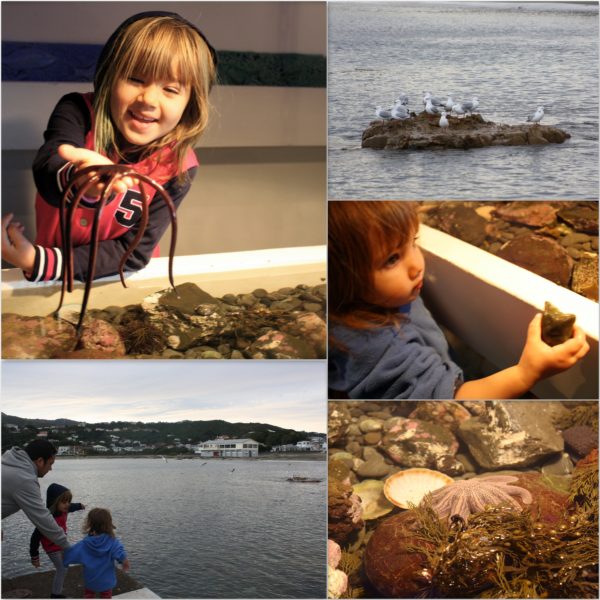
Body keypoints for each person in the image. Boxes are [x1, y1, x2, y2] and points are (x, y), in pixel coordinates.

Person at [1, 11, 218, 283]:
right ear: (109, 78)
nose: (149, 99)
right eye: (136, 79)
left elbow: (134, 252)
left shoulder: (181, 167)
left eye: (171, 89)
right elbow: (48, 169)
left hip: (123, 279)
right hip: (52, 274)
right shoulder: (77, 111)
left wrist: (37, 260)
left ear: (191, 104)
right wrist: (80, 181)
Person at [328, 201, 590, 399]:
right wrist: (527, 373)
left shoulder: (382, 297)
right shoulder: (380, 348)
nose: (417, 265)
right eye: (392, 258)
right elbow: (451, 399)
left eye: (413, 242)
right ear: (342, 280)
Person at [2, 440, 70, 549]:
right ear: (40, 461)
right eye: (50, 464)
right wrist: (69, 547)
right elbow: (42, 518)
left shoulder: (9, 462)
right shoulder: (24, 479)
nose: (50, 469)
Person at [30, 484, 86, 599]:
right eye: (64, 502)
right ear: (54, 502)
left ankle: (57, 591)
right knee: (62, 568)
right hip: (51, 547)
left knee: (67, 565)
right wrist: (34, 556)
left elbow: (72, 507)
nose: (67, 505)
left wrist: (80, 505)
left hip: (61, 544)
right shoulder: (46, 519)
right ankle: (55, 595)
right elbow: (35, 538)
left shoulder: (65, 509)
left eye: (68, 501)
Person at [63, 508, 129, 599]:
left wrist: (65, 561)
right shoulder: (113, 541)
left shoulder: (85, 544)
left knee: (89, 595)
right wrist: (124, 561)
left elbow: (71, 553)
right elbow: (120, 553)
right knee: (106, 597)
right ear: (109, 524)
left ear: (90, 524)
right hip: (107, 581)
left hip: (91, 581)